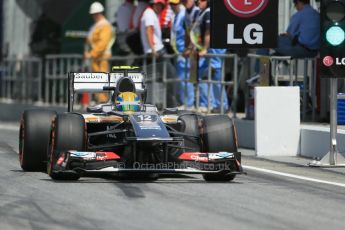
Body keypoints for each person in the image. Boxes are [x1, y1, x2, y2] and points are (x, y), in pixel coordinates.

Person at [189, 0, 228, 113]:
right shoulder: (201, 12)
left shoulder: (209, 12)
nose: (198, 2)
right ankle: (210, 103)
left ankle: (222, 105)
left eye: (202, 0)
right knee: (202, 74)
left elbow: (208, 32)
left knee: (216, 75)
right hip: (208, 49)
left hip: (214, 49)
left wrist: (205, 49)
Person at [140, 0, 178, 107]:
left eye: (162, 5)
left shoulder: (149, 13)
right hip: (157, 51)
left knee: (157, 79)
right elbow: (149, 30)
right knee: (171, 76)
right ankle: (171, 105)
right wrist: (153, 48)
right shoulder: (149, 14)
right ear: (154, 4)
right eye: (159, 5)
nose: (161, 7)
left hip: (153, 51)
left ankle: (160, 103)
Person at [84, 2, 115, 103]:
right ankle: (100, 101)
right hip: (96, 58)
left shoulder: (105, 25)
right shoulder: (97, 25)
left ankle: (104, 102)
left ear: (99, 13)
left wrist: (91, 54)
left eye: (95, 14)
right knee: (97, 81)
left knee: (102, 79)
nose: (93, 16)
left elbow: (102, 44)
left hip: (102, 58)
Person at [170, 0, 194, 109]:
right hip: (179, 52)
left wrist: (188, 48)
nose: (173, 6)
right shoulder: (176, 16)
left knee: (186, 77)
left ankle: (189, 103)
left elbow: (190, 32)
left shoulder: (184, 15)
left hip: (185, 52)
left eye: (175, 4)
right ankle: (185, 102)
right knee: (182, 78)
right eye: (171, 4)